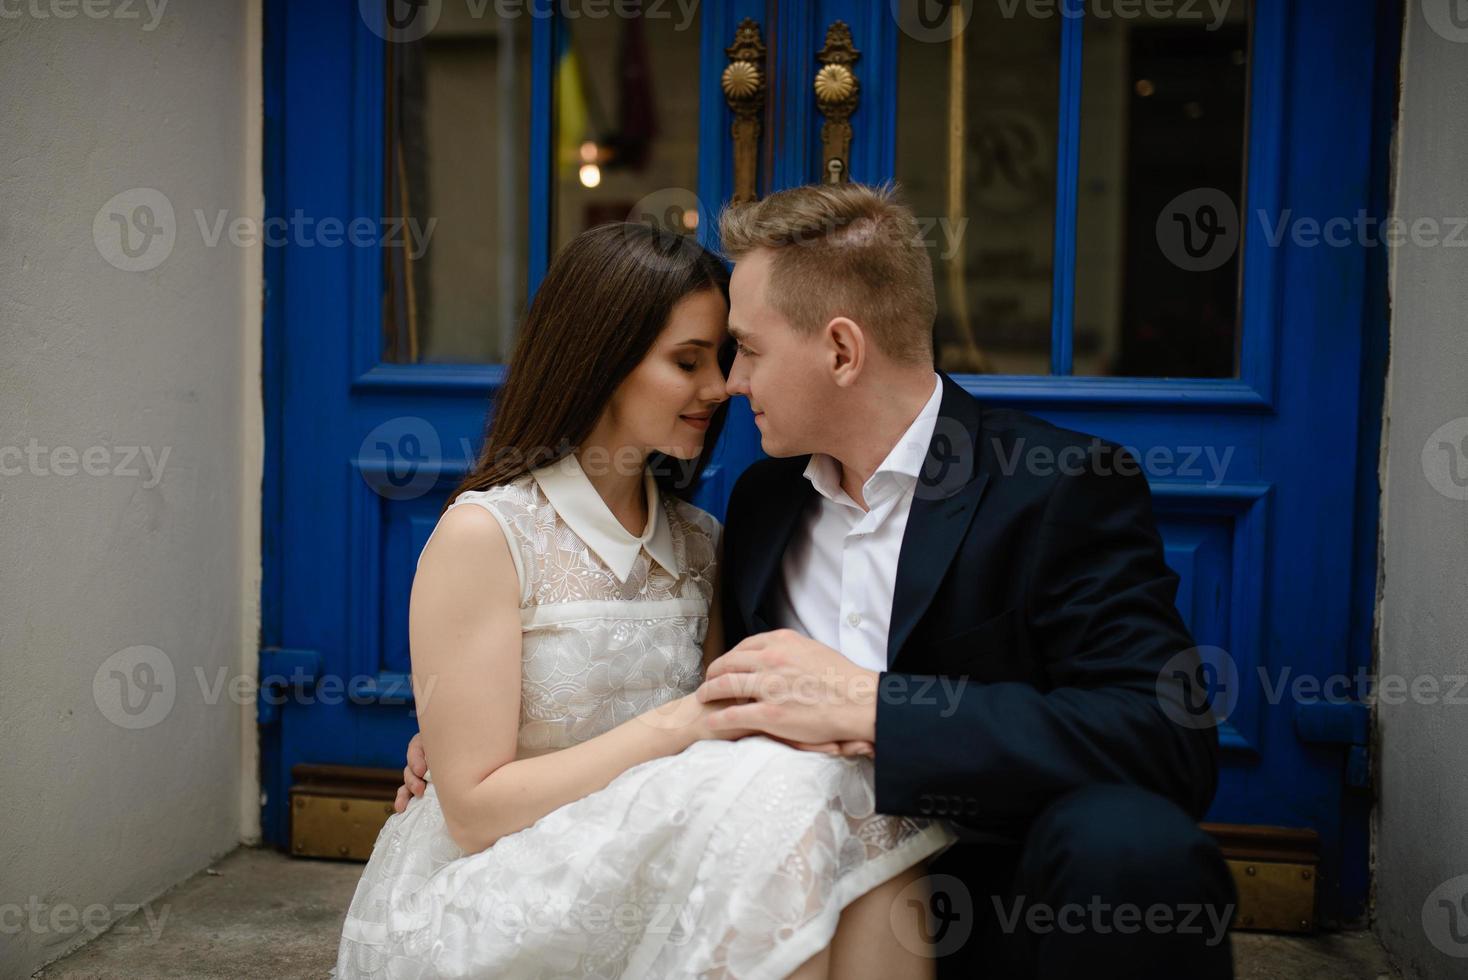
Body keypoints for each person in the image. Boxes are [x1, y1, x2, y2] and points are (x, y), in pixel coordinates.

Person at [399, 183, 1240, 979]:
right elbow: (667, 687)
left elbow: (1163, 736)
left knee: (1137, 850)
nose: (731, 385)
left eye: (747, 351)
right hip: (776, 868)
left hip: (981, 882)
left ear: (841, 349)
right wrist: (478, 736)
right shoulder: (761, 507)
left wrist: (873, 707)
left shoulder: (1054, 485)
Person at [334, 220, 957, 980]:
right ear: (601, 360)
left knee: (848, 782)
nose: (719, 387)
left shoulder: (703, 542)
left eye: (724, 359)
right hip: (504, 879)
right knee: (795, 796)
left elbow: (721, 757)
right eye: (687, 361)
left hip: (648, 850)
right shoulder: (488, 534)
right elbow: (472, 812)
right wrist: (682, 721)